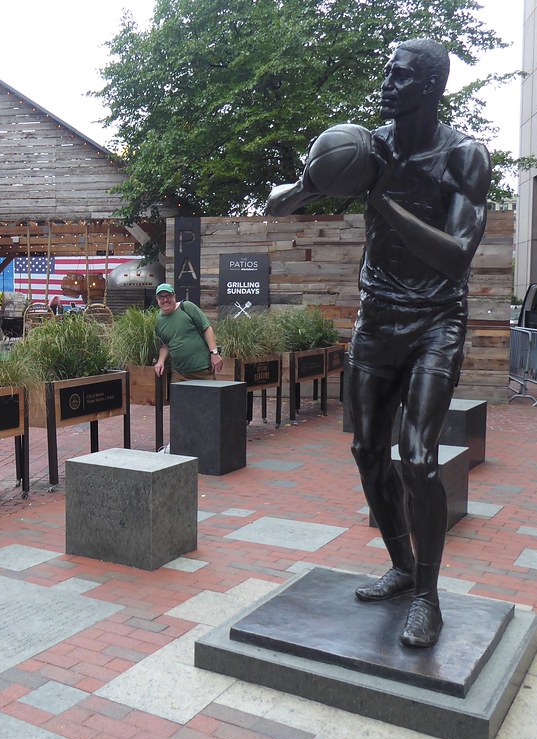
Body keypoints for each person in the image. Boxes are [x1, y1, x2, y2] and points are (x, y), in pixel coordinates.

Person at [267, 39, 491, 648]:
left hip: (436, 321)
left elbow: (456, 257)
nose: (386, 83)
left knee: (417, 457)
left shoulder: (463, 157)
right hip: (378, 318)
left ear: (429, 88)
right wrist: (310, 182)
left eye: (399, 75)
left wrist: (381, 204)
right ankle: (399, 565)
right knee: (368, 450)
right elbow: (279, 202)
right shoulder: (368, 148)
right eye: (386, 73)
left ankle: (428, 596)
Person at [153, 283, 223, 381]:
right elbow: (165, 344)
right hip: (179, 374)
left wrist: (214, 354)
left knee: (208, 396)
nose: (165, 300)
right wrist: (160, 361)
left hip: (202, 371)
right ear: (157, 299)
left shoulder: (186, 307)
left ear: (174, 296)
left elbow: (206, 328)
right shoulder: (158, 320)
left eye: (168, 296)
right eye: (161, 297)